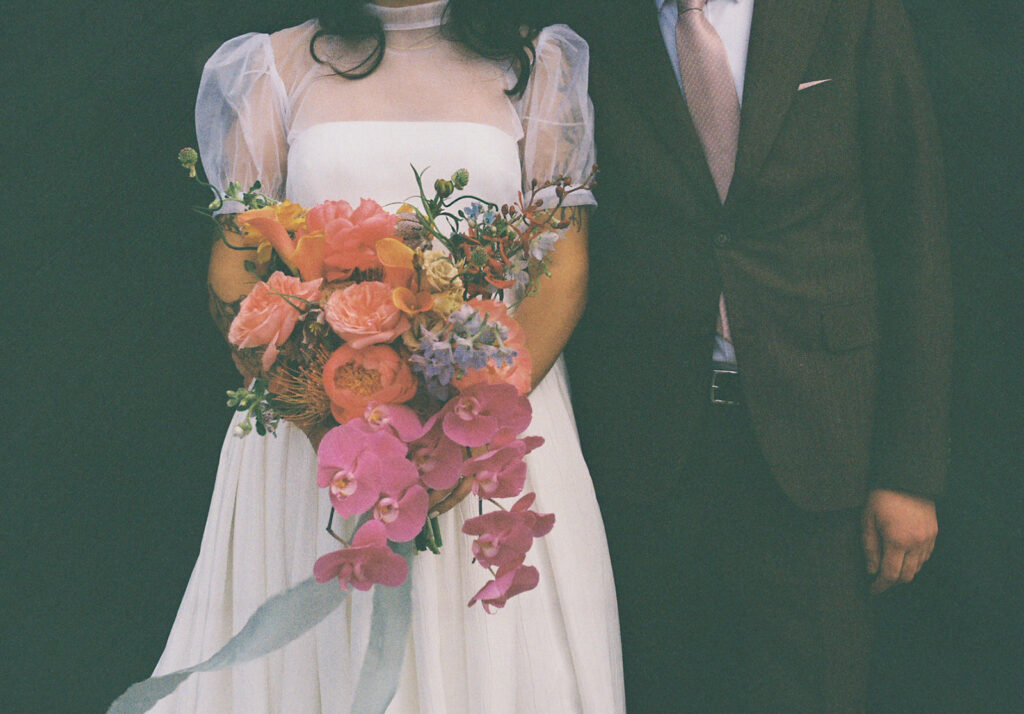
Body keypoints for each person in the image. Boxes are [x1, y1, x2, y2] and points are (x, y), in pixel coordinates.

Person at [150, 1, 624, 711]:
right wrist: (326, 424)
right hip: (314, 444)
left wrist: (465, 430)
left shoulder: (539, 66)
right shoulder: (272, 68)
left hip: (489, 436)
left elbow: (563, 272)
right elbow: (235, 273)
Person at [565, 0, 950, 711]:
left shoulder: (849, 13)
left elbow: (912, 227)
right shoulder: (585, 24)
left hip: (818, 441)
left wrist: (909, 469)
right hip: (643, 451)